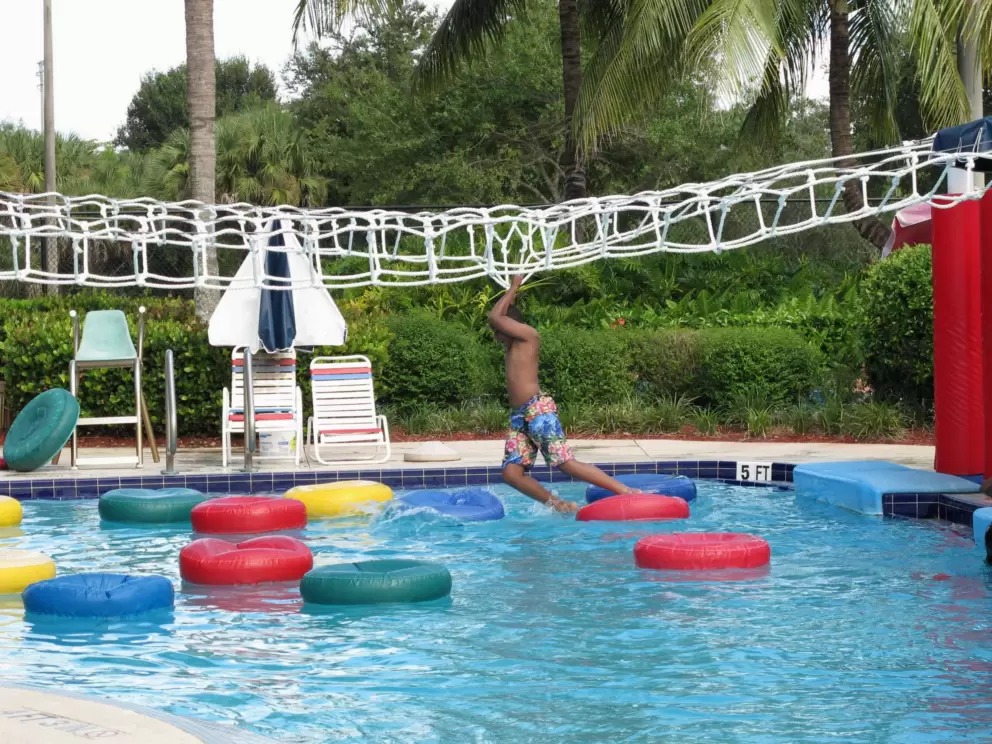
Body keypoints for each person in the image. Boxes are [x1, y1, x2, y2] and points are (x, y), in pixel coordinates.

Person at [488, 274, 639, 513]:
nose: (495, 336)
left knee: (565, 463)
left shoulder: (529, 336)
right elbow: (501, 317)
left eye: (498, 331)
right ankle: (559, 505)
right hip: (520, 416)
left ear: (512, 326)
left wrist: (514, 285)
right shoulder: (513, 345)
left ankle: (627, 492)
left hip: (538, 410)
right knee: (511, 473)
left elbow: (496, 316)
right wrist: (512, 293)